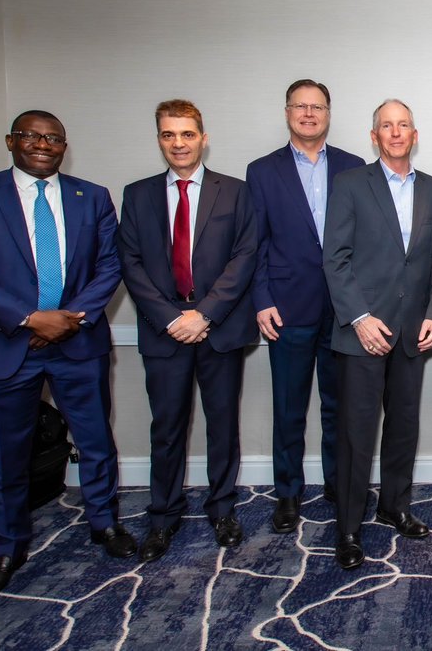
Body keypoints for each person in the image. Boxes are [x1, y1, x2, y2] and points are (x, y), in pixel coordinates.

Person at [0, 110, 134, 602]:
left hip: (77, 342)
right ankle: (7, 548)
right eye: (31, 136)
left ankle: (104, 524)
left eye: (54, 138)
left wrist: (68, 318)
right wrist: (30, 318)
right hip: (2, 346)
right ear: (10, 141)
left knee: (95, 441)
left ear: (64, 146)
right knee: (4, 457)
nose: (43, 144)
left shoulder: (92, 197)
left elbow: (109, 266)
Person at [116, 99, 258, 562]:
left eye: (187, 134)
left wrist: (206, 314)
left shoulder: (234, 192)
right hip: (165, 330)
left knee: (222, 426)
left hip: (218, 328)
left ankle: (222, 509)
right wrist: (173, 318)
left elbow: (244, 257)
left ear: (203, 136)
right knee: (167, 429)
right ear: (159, 139)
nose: (178, 143)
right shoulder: (137, 195)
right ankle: (163, 516)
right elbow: (130, 263)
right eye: (168, 135)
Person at [323, 99, 432, 569]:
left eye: (403, 126)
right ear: (374, 137)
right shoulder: (350, 185)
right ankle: (349, 528)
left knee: (403, 427)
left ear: (415, 135)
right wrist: (359, 317)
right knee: (356, 435)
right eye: (386, 126)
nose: (395, 133)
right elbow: (335, 258)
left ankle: (395, 505)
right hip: (362, 333)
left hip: (413, 332)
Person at [247, 80, 365, 533]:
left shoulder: (354, 168)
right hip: (287, 309)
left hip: (343, 311)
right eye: (300, 106)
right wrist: (261, 300)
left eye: (317, 107)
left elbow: (366, 244)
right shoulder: (262, 171)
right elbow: (254, 243)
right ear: (287, 112)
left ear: (329, 113)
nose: (309, 114)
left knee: (340, 406)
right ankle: (289, 494)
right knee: (289, 408)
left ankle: (339, 487)